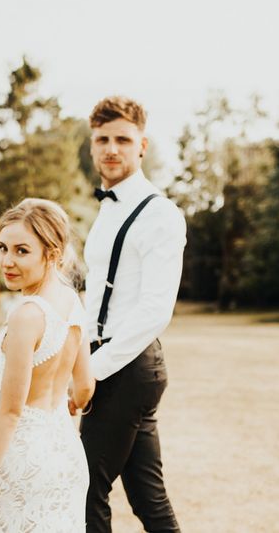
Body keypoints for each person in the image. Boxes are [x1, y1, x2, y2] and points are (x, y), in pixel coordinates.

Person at [73, 96, 186, 533]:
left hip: (128, 366)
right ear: (92, 146)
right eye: (102, 139)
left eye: (123, 139)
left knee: (84, 488)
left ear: (142, 145)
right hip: (110, 360)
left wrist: (92, 371)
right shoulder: (108, 209)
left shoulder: (159, 214)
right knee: (147, 498)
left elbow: (156, 310)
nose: (111, 149)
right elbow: (98, 298)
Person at [0, 198, 95, 531]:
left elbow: (10, 411)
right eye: (2, 248)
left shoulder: (27, 315)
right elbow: (85, 388)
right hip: (66, 453)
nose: (7, 261)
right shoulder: (73, 302)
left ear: (51, 254)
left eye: (22, 251)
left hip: (25, 460)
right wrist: (64, 404)